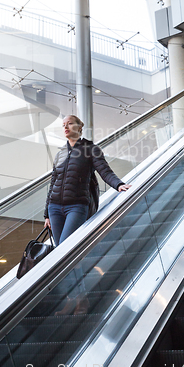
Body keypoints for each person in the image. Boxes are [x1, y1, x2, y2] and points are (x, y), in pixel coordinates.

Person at [44, 114, 131, 315]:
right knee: (62, 256)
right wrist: (46, 213)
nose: (66, 127)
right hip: (55, 208)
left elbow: (104, 170)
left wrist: (118, 184)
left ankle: (81, 299)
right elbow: (52, 183)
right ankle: (72, 299)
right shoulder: (60, 154)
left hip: (77, 206)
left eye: (70, 123)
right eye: (63, 125)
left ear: (80, 126)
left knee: (67, 250)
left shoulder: (90, 149)